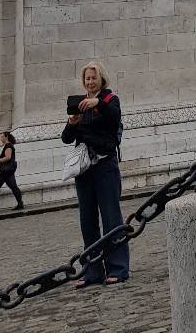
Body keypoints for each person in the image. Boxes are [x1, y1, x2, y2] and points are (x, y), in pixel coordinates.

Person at [62, 61, 128, 286]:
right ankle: (92, 271)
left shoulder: (110, 100)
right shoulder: (80, 105)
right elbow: (66, 138)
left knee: (111, 218)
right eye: (87, 79)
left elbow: (114, 117)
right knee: (87, 220)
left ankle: (118, 268)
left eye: (93, 78)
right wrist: (72, 123)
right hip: (85, 170)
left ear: (102, 79)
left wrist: (97, 103)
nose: (90, 82)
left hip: (105, 166)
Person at [0, 131, 23, 213]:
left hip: (4, 173)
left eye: (2, 136)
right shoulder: (8, 145)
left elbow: (8, 157)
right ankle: (20, 204)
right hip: (8, 171)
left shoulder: (8, 146)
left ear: (6, 137)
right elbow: (6, 162)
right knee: (14, 187)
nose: (1, 138)